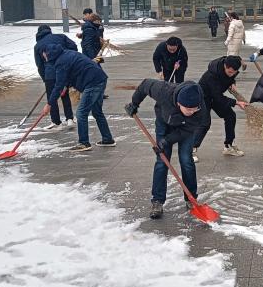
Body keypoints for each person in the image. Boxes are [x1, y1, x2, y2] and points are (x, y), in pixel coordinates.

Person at [125, 80, 207, 219]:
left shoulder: (200, 109)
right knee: (162, 161)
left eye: (195, 109)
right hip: (164, 122)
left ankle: (191, 198)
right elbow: (145, 84)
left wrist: (167, 140)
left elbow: (188, 130)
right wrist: (134, 103)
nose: (192, 112)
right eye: (189, 109)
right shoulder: (163, 91)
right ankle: (157, 201)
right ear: (179, 103)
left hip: (185, 128)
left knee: (186, 160)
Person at [44, 43, 115, 152]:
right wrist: (66, 86)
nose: (44, 56)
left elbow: (58, 85)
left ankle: (84, 143)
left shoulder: (60, 62)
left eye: (44, 54)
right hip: (99, 79)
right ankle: (108, 139)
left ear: (50, 54)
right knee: (97, 112)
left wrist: (49, 104)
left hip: (92, 83)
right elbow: (71, 73)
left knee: (81, 113)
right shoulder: (67, 54)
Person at [195, 55, 247, 159]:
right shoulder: (212, 75)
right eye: (230, 72)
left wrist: (232, 82)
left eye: (234, 72)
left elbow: (236, 62)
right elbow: (218, 97)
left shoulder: (232, 66)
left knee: (230, 116)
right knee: (205, 123)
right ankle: (191, 149)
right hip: (203, 97)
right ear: (225, 66)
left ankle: (228, 146)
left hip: (215, 96)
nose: (231, 74)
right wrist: (236, 102)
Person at [33, 24, 79, 130]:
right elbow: (73, 46)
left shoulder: (38, 45)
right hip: (64, 69)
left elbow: (39, 65)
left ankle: (56, 121)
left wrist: (45, 78)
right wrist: (69, 58)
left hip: (50, 74)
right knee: (64, 94)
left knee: (51, 98)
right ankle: (69, 118)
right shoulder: (61, 37)